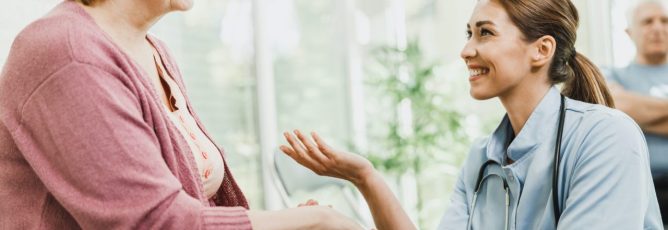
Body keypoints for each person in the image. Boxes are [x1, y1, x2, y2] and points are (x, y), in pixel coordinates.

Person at [280, 0, 663, 229]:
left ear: (541, 50)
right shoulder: (483, 159)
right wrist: (365, 179)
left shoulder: (606, 138)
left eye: (485, 33)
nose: (466, 50)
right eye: (469, 33)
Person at [0, 0, 363, 229]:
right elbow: (151, 223)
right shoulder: (68, 54)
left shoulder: (153, 51)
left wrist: (283, 224)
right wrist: (313, 219)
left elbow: (192, 205)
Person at [605, 0, 668, 223]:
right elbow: (619, 104)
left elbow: (625, 112)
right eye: (648, 21)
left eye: (664, 21)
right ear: (629, 32)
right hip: (636, 189)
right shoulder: (611, 74)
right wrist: (625, 111)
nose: (658, 28)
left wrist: (637, 116)